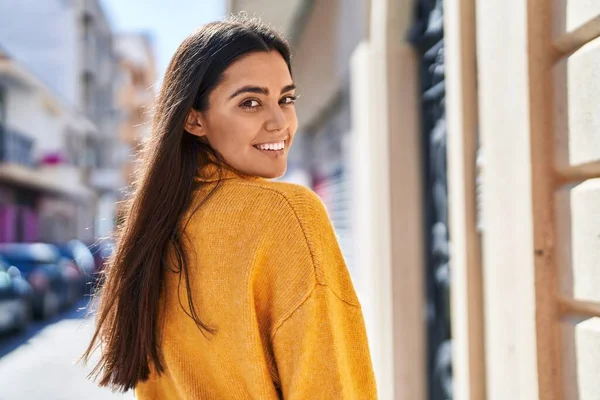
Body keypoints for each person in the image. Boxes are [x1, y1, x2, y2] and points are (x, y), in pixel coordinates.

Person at [82, 15, 377, 400]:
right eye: (250, 103)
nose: (279, 123)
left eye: (286, 99)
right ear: (193, 118)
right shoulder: (287, 213)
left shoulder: (156, 227)